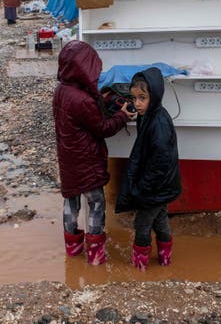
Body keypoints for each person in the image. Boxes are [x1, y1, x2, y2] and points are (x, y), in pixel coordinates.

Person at [53, 40, 135, 265]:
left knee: (71, 201)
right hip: (87, 161)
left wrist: (102, 99)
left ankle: (72, 250)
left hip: (68, 159)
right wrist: (122, 115)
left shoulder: (61, 91)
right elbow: (103, 128)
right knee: (96, 203)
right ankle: (95, 255)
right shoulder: (83, 100)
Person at [115, 67, 182, 271]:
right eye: (134, 98)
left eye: (142, 98)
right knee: (160, 219)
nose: (137, 103)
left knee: (142, 225)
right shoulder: (151, 116)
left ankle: (140, 265)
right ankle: (165, 260)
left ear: (154, 96)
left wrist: (142, 187)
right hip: (161, 186)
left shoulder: (158, 123)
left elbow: (160, 163)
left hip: (153, 186)